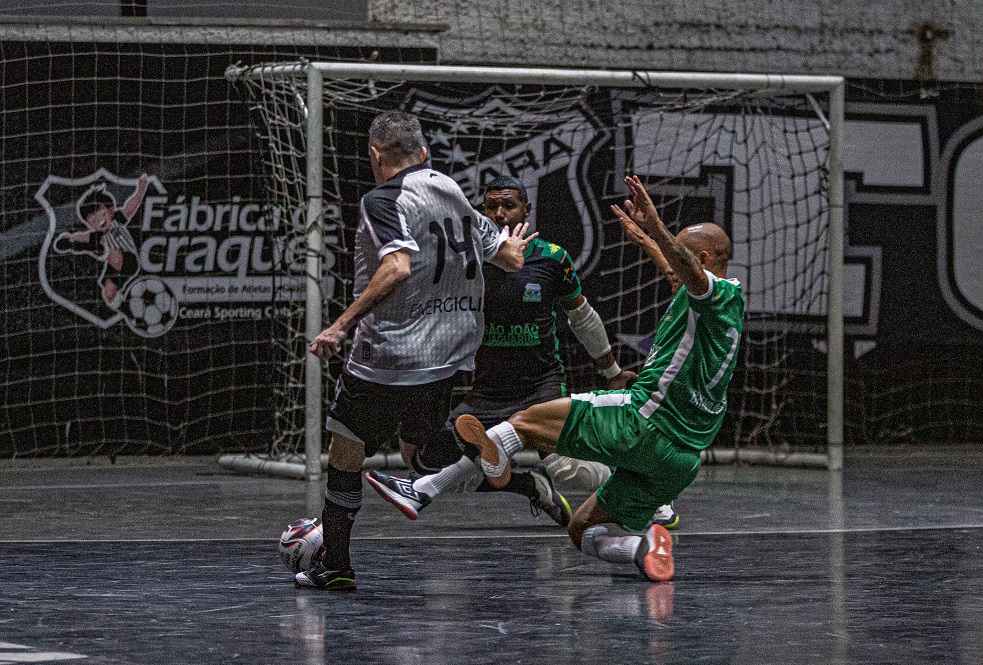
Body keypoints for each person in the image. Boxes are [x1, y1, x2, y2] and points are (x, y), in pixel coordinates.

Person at [455, 175, 745, 582]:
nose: (672, 262)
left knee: (524, 422)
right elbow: (680, 275)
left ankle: (465, 474)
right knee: (583, 531)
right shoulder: (723, 304)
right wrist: (649, 243)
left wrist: (656, 226)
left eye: (679, 254)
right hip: (681, 459)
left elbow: (689, 274)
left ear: (702, 257)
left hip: (644, 421)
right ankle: (642, 548)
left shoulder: (714, 293)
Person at [294, 111, 536, 591]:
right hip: (448, 355)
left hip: (389, 355)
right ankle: (500, 468)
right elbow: (510, 258)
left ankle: (336, 565)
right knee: (416, 453)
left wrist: (339, 326)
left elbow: (397, 267)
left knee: (345, 450)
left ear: (375, 155)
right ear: (424, 153)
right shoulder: (450, 188)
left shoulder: (382, 199)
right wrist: (511, 243)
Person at [365, 176, 636, 527]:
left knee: (568, 469)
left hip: (540, 385)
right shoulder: (467, 261)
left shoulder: (553, 258)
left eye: (508, 205)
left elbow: (582, 317)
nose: (500, 213)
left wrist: (612, 371)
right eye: (491, 206)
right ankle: (529, 485)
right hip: (488, 391)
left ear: (527, 209)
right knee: (423, 461)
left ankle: (644, 488)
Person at [53, 175, 148, 310]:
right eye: (93, 221)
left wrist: (140, 190)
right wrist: (71, 238)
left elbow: (131, 206)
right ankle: (124, 307)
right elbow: (83, 236)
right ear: (90, 225)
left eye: (102, 215)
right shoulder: (97, 235)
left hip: (128, 260)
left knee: (113, 254)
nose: (99, 221)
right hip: (114, 266)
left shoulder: (117, 220)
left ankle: (102, 253)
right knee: (108, 292)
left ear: (111, 210)